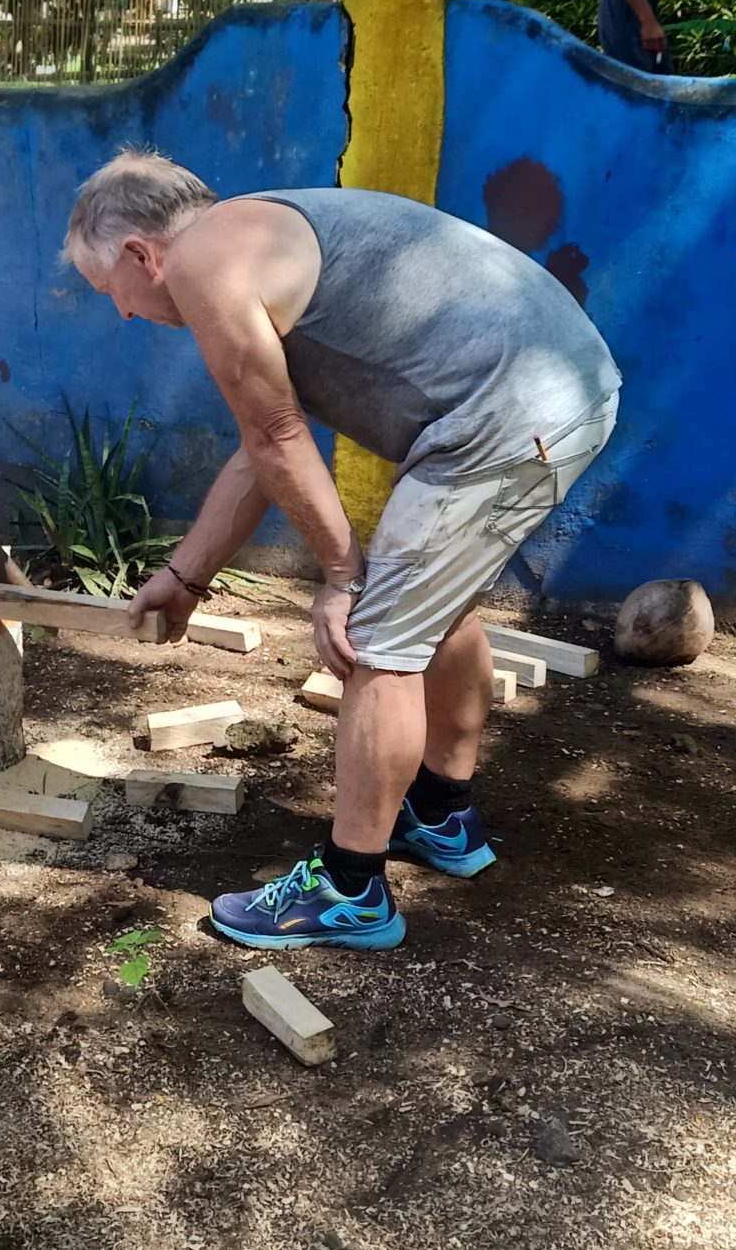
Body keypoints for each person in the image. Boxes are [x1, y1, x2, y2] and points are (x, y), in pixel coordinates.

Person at [63, 151, 620, 952]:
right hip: (561, 387)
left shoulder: (202, 262)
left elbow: (277, 435)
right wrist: (188, 575)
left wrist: (341, 577)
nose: (119, 313)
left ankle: (351, 889)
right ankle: (441, 815)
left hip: (504, 414)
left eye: (105, 289)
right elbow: (262, 448)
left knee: (381, 642)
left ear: (140, 254)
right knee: (435, 602)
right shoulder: (254, 236)